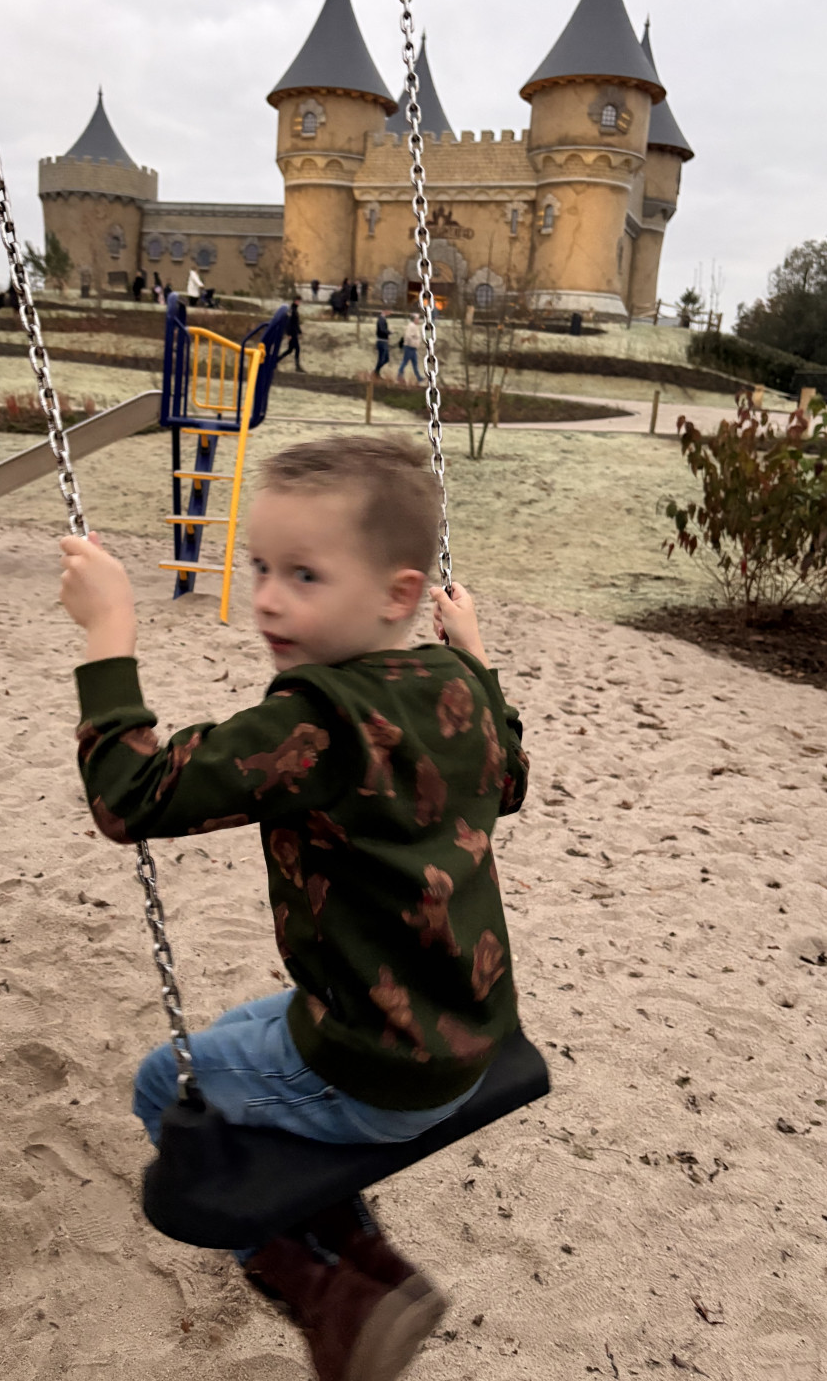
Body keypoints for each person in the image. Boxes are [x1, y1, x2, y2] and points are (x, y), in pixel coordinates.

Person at [58, 434, 527, 1381]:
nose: (268, 599)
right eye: (260, 567)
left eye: (304, 575)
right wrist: (475, 655)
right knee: (242, 1032)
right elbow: (509, 777)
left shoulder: (316, 723)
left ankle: (322, 1294)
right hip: (462, 1028)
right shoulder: (459, 690)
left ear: (397, 593)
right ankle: (365, 1260)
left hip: (378, 1065)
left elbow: (130, 798)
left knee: (162, 1086)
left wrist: (109, 631)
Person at [397, 314, 424, 384]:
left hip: (413, 348)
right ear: (414, 319)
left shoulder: (414, 326)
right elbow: (408, 336)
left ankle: (419, 378)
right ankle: (399, 375)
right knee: (405, 361)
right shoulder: (411, 326)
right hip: (409, 347)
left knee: (415, 363)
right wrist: (413, 342)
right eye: (417, 319)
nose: (418, 320)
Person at [281, 296, 303, 372]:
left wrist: (299, 332)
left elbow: (296, 323)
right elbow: (289, 323)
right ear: (295, 301)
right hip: (292, 333)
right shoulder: (292, 310)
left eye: (299, 301)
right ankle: (297, 366)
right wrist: (289, 334)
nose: (299, 302)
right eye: (298, 301)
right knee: (297, 349)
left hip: (294, 332)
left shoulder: (295, 310)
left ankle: (276, 360)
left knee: (290, 350)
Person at [374, 310, 391, 376]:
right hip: (382, 341)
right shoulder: (381, 319)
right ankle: (376, 371)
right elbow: (382, 330)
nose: (390, 313)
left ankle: (376, 372)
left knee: (383, 359)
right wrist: (389, 332)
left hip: (383, 341)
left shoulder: (382, 319)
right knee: (384, 359)